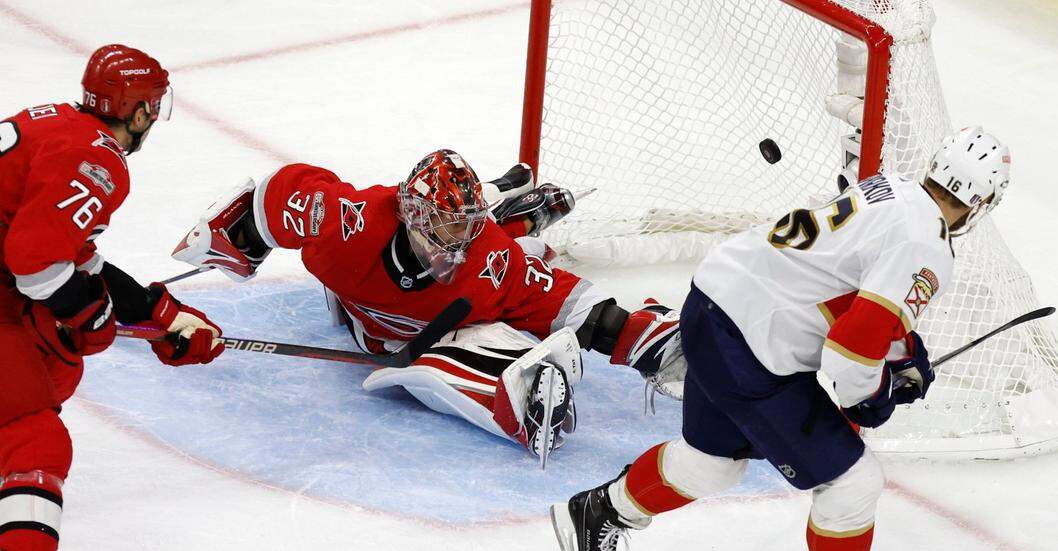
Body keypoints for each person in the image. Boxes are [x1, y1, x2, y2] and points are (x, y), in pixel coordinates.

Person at [551, 127, 1011, 551]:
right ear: (981, 205)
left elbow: (847, 287)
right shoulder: (928, 246)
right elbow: (849, 354)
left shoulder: (890, 190)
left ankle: (602, 509)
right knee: (854, 481)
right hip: (753, 345)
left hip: (716, 301)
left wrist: (903, 347)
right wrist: (877, 396)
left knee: (712, 466)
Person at [172, 149, 685, 465]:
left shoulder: (486, 259)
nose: (458, 241)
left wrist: (637, 337)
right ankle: (520, 211)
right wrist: (237, 236)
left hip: (427, 334)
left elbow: (560, 299)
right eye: (445, 225)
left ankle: (518, 220)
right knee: (439, 358)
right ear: (411, 214)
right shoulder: (349, 225)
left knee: (468, 347)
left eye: (467, 225)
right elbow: (279, 193)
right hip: (367, 321)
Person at [0, 45, 224, 551]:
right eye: (153, 106)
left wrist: (158, 315)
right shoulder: (99, 160)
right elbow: (35, 262)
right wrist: (92, 318)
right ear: (140, 109)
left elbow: (73, 255)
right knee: (31, 433)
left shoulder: (51, 123)